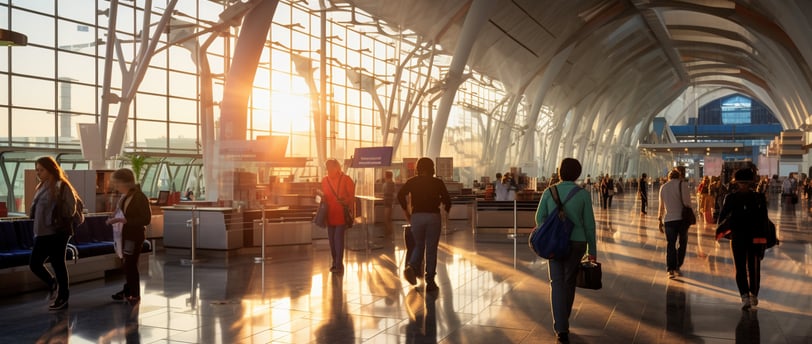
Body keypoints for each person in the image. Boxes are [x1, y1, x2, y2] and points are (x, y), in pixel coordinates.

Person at [534, 158, 596, 343]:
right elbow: (589, 225)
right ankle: (563, 320)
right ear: (577, 174)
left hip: (554, 244)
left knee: (556, 283)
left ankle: (561, 327)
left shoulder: (549, 191)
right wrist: (592, 249)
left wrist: (551, 232)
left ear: (559, 172)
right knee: (569, 282)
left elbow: (539, 218)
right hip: (577, 243)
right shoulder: (583, 194)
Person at [28, 156, 80, 310]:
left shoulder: (61, 186)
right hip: (42, 232)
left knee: (57, 263)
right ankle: (53, 283)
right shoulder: (41, 186)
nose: (38, 173)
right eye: (37, 170)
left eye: (41, 170)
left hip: (57, 232)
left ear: (51, 169)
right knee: (35, 264)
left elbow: (71, 209)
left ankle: (63, 296)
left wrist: (57, 215)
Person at [716, 168, 768, 310]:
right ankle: (746, 295)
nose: (743, 185)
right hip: (751, 236)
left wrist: (726, 232)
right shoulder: (758, 197)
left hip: (741, 236)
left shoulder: (732, 198)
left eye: (744, 183)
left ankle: (750, 295)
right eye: (742, 183)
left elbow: (722, 218)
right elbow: (764, 219)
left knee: (748, 267)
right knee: (749, 267)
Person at [398, 157, 451, 292]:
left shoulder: (412, 182)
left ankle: (412, 266)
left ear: (418, 168)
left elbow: (400, 195)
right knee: (431, 248)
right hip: (433, 216)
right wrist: (446, 212)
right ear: (432, 168)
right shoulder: (437, 182)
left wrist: (406, 211)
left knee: (419, 244)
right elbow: (447, 200)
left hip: (416, 217)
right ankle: (430, 281)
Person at [107, 168, 151, 305]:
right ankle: (128, 290)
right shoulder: (125, 197)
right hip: (125, 235)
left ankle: (134, 293)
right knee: (127, 263)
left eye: (117, 183)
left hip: (134, 235)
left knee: (130, 264)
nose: (116, 187)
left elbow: (146, 219)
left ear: (126, 182)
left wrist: (124, 221)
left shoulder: (139, 197)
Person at [321, 159, 355, 273]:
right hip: (329, 215)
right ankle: (335, 262)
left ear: (337, 168)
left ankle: (338, 264)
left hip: (341, 215)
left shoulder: (346, 179)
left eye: (331, 167)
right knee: (332, 240)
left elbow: (351, 197)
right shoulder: (324, 181)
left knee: (337, 239)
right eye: (327, 168)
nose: (329, 170)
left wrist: (347, 205)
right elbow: (324, 196)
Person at [658, 169, 692, 279]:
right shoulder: (683, 185)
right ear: (679, 176)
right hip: (682, 220)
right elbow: (687, 203)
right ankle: (678, 265)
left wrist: (659, 220)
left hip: (669, 220)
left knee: (670, 244)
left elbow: (661, 206)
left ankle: (670, 269)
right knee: (682, 243)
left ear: (669, 177)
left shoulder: (663, 187)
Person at [382, 170, 395, 237]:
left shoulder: (389, 183)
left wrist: (383, 195)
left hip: (388, 203)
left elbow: (387, 193)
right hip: (389, 202)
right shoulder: (390, 183)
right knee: (388, 218)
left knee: (387, 218)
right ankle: (389, 232)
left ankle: (389, 232)